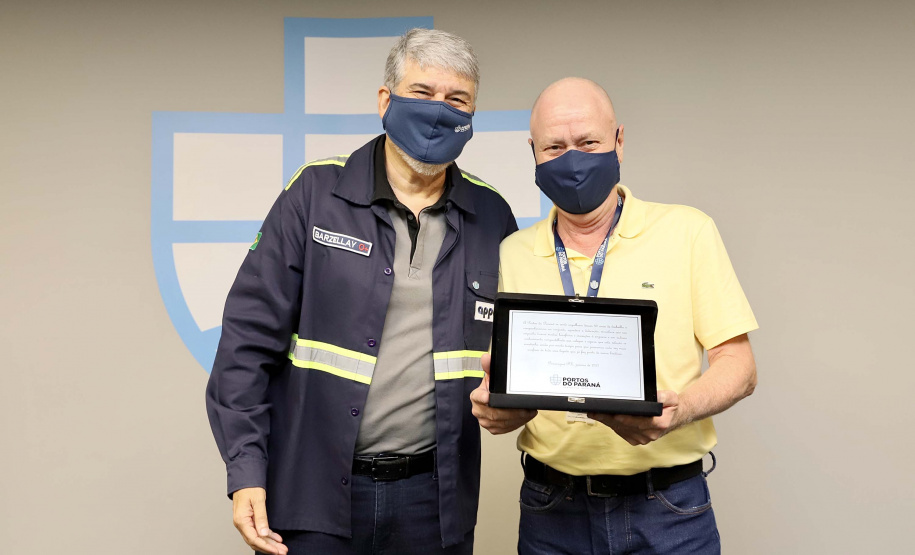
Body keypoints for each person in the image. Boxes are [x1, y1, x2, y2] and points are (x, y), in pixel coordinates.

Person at [206, 28, 516, 555]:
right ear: (385, 100)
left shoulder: (492, 216)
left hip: (435, 501)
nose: (439, 111)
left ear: (472, 114)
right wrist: (246, 471)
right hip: (313, 493)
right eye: (422, 92)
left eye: (457, 99)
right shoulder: (314, 195)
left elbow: (514, 350)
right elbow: (244, 346)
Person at [470, 77, 758, 554]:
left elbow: (740, 368)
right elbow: (505, 378)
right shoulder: (512, 252)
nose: (572, 161)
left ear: (619, 141)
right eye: (554, 147)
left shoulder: (688, 231)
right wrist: (497, 407)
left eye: (588, 143)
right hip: (551, 509)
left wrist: (680, 411)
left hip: (667, 508)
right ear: (533, 152)